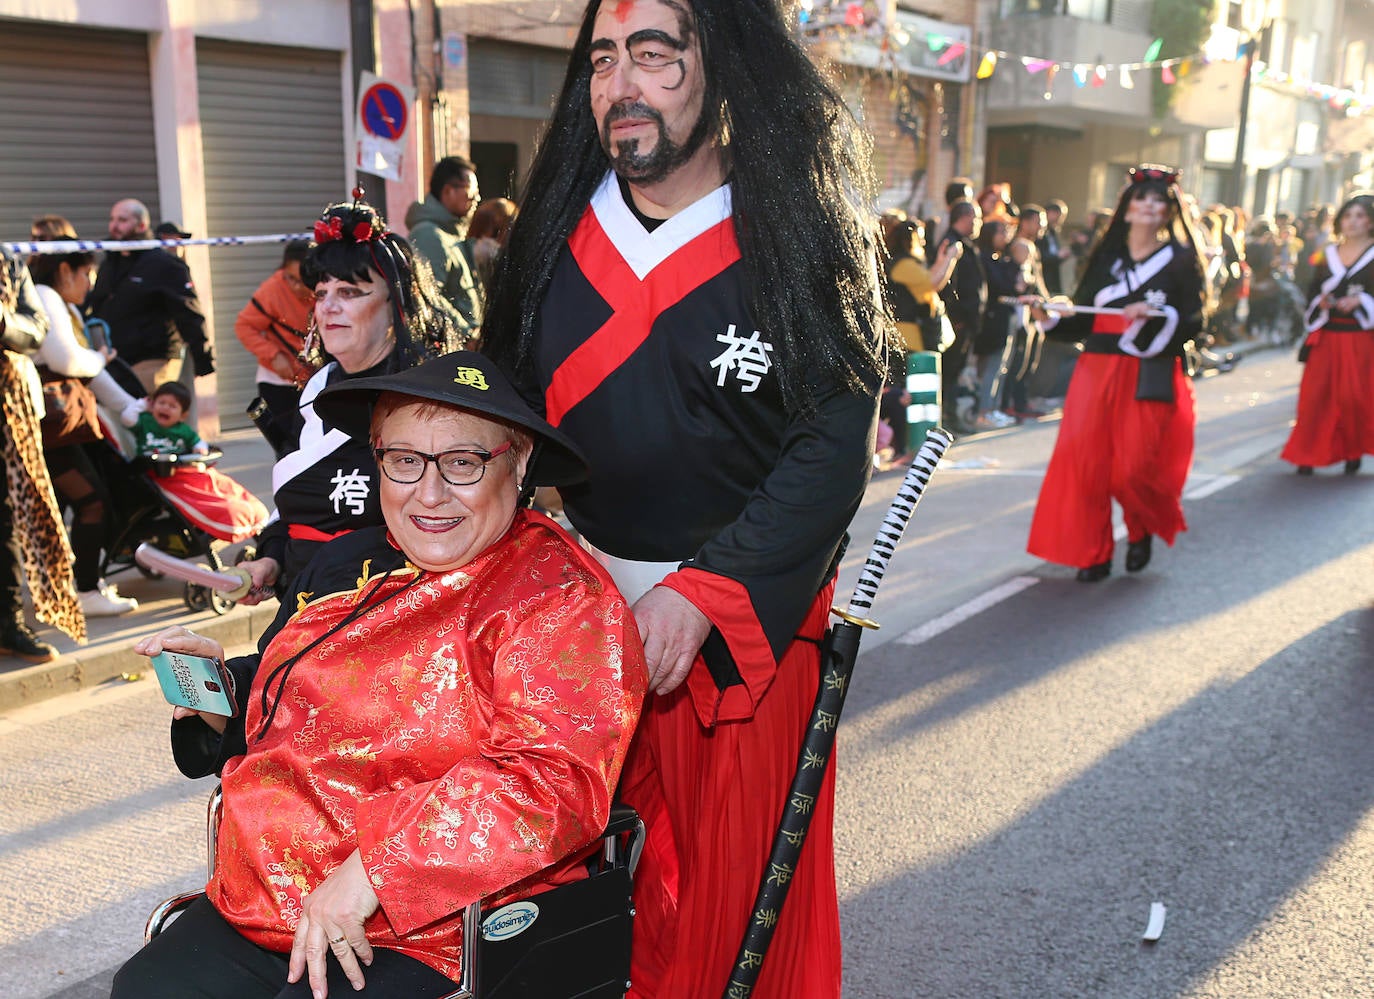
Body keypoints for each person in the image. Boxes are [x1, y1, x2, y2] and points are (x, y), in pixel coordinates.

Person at [481, 2, 888, 995]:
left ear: (721, 67)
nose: (622, 83)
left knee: (742, 917)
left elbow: (831, 451)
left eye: (654, 54)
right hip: (582, 631)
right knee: (582, 913)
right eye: (605, 58)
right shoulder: (552, 237)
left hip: (745, 636)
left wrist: (703, 592)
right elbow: (506, 421)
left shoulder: (798, 235)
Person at [110, 350, 645, 999]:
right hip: (266, 896)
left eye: (462, 462)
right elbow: (300, 700)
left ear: (519, 458)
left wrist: (375, 870)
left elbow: (552, 782)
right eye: (404, 460)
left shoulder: (556, 598)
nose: (429, 491)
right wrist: (216, 693)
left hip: (439, 928)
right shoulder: (359, 566)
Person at [237, 198, 466, 604]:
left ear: (396, 304)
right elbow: (292, 504)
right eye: (321, 293)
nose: (328, 307)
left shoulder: (431, 401)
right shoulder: (314, 390)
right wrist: (269, 561)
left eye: (348, 292)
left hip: (391, 619)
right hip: (300, 609)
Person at [1027, 165, 1208, 582]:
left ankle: (1141, 527)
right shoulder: (1105, 257)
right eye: (1141, 198)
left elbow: (1195, 321)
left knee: (1131, 469)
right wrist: (1046, 315)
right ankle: (1094, 553)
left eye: (1158, 200)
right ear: (1126, 208)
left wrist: (1156, 314)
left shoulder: (1180, 260)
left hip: (1148, 372)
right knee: (1086, 466)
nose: (1149, 205)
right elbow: (1084, 319)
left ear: (1167, 211)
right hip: (1096, 371)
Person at [28, 239, 141, 616]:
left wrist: (127, 404)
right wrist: (98, 356)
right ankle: (86, 589)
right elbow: (68, 359)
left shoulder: (61, 303)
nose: (90, 283)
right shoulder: (46, 295)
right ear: (66, 270)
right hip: (50, 427)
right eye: (87, 273)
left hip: (54, 426)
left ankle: (63, 588)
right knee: (92, 502)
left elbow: (87, 370)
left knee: (56, 510)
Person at [0, 248, 83, 659]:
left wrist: (2, 320)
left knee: (8, 520)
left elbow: (36, 327)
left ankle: (7, 625)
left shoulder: (8, 262)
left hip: (7, 416)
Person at [1280, 191, 1374, 476]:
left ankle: (1352, 450)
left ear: (1370, 221)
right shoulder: (1327, 254)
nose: (1352, 222)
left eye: (1359, 216)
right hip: (1325, 336)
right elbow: (1309, 290)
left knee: (1353, 398)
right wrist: (1319, 302)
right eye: (1347, 216)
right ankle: (1307, 454)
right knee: (1314, 396)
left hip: (1360, 338)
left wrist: (1362, 301)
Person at [86, 198, 214, 394]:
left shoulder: (163, 264)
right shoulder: (109, 263)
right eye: (112, 219)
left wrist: (202, 358)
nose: (114, 226)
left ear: (142, 225)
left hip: (152, 361)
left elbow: (188, 311)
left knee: (152, 421)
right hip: (114, 361)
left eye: (122, 220)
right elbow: (95, 305)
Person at [882, 218, 958, 464]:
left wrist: (942, 260)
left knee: (915, 394)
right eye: (921, 236)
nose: (924, 241)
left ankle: (913, 447)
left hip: (912, 336)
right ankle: (905, 448)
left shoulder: (908, 263)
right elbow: (932, 283)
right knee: (906, 396)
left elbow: (930, 281)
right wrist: (950, 258)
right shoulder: (901, 263)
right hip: (904, 337)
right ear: (909, 238)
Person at [233, 239, 315, 453]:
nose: (296, 287)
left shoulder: (328, 288)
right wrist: (273, 354)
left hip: (317, 380)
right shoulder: (273, 289)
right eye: (290, 278)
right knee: (288, 449)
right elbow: (244, 326)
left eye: (302, 280)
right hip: (277, 382)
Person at [403, 156, 482, 333]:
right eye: (471, 192)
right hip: (450, 348)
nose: (477, 198)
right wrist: (466, 333)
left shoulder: (451, 234)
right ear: (448, 191)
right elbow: (426, 294)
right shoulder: (428, 235)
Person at [937, 199, 988, 432]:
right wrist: (956, 316)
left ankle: (951, 417)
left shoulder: (968, 244)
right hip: (957, 320)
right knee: (949, 371)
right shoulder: (951, 243)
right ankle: (946, 419)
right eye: (975, 217)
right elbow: (949, 284)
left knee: (956, 371)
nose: (978, 222)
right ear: (964, 217)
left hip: (968, 320)